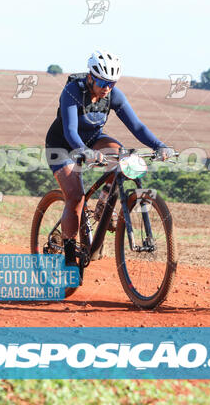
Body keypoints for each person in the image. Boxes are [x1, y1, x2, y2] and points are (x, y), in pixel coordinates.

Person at [45, 49, 173, 266]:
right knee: (76, 197)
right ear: (90, 77)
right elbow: (71, 132)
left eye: (112, 83)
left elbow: (137, 126)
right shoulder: (72, 92)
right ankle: (68, 258)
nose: (107, 88)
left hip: (94, 140)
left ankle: (104, 205)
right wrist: (85, 152)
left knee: (123, 157)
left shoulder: (114, 95)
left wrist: (159, 145)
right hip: (63, 145)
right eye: (102, 82)